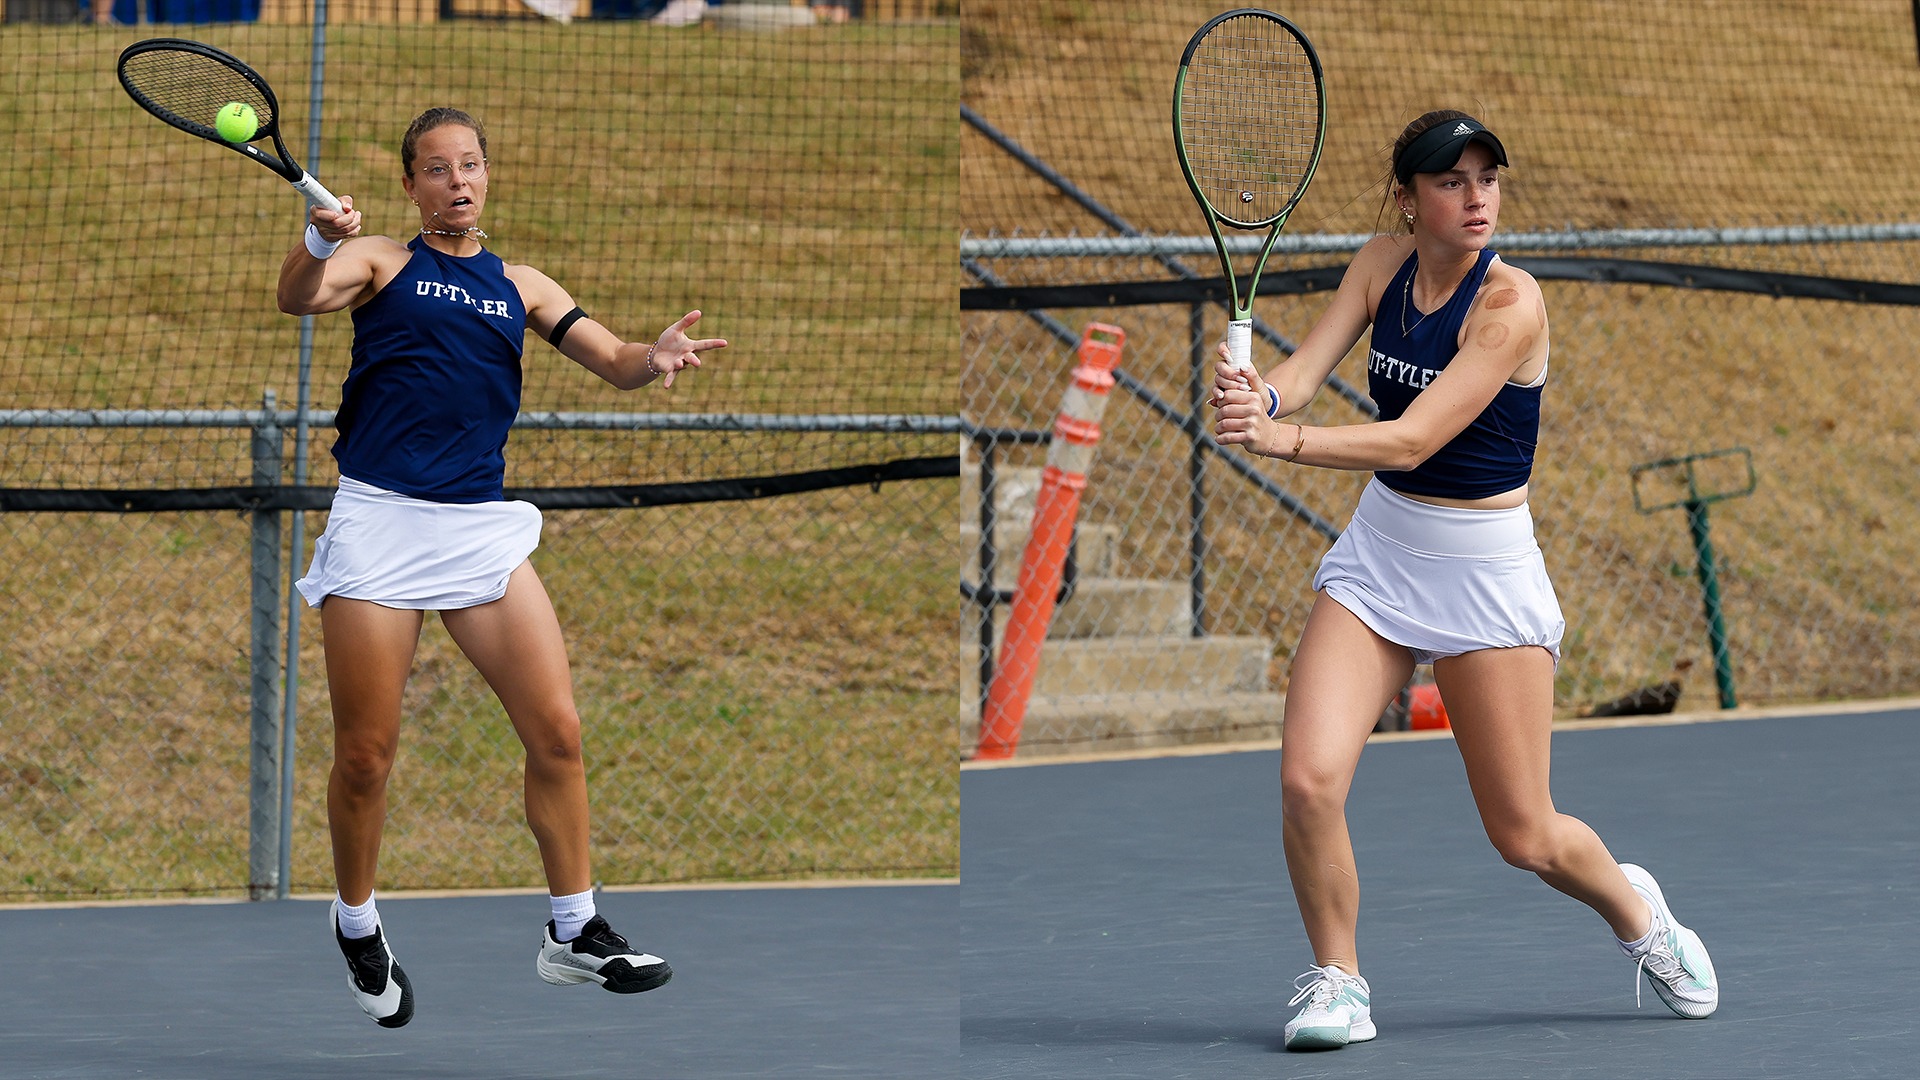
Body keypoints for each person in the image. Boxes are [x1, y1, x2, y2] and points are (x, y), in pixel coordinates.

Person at [1210, 110, 1717, 1051]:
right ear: (1408, 197)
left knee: (1526, 837)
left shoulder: (1510, 304)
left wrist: (1281, 439)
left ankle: (1643, 918)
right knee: (1307, 780)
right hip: (1381, 554)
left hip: (1485, 573)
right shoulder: (1377, 264)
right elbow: (1307, 371)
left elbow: (1412, 437)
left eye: (1488, 177)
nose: (1475, 195)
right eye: (1451, 180)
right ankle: (1340, 982)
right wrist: (1262, 396)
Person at [277, 106, 727, 1028]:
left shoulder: (520, 285)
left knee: (558, 733)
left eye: (471, 164)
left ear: (487, 177)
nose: (458, 180)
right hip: (382, 523)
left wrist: (658, 356)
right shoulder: (380, 263)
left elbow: (612, 359)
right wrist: (315, 240)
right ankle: (356, 920)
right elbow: (300, 298)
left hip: (479, 532)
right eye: (438, 169)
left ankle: (574, 929)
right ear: (411, 186)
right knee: (365, 757)